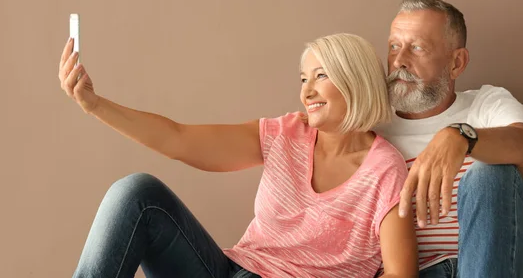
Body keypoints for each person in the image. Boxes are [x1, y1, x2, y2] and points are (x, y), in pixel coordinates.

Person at [59, 33, 419, 278]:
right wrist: (95, 105)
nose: (307, 90)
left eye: (320, 75)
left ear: (355, 81)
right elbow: (178, 139)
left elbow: (402, 273)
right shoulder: (286, 133)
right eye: (303, 78)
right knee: (137, 193)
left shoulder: (385, 169)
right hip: (231, 270)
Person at [376, 0, 523, 278]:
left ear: (456, 62)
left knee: (490, 174)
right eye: (394, 46)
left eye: (417, 48)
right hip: (416, 273)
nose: (399, 61)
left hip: (494, 267)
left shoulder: (488, 103)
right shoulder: (371, 125)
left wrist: (462, 138)